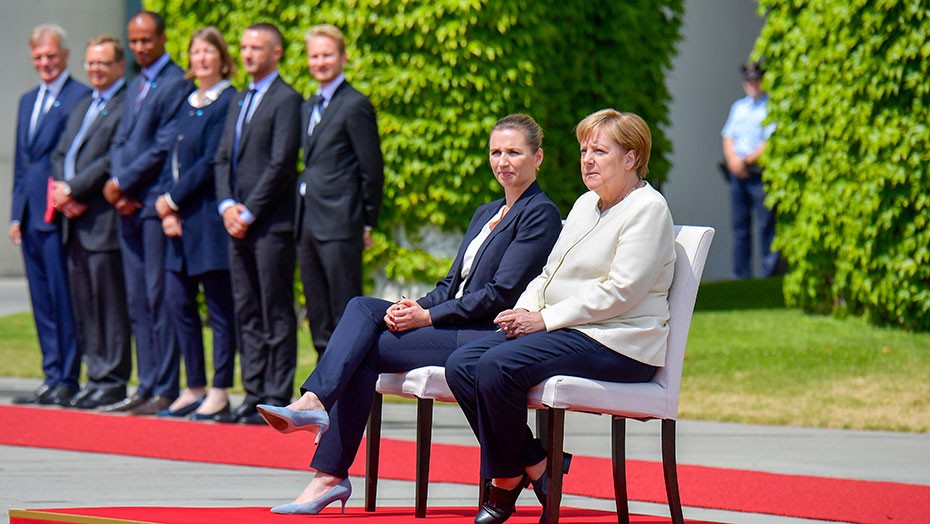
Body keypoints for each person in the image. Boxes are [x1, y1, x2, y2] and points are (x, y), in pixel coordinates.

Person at [255, 114, 562, 515]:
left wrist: (427, 319)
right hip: (453, 322)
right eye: (495, 152)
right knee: (361, 308)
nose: (503, 161)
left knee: (361, 350)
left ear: (537, 158)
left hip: (486, 334)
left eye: (514, 152)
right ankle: (317, 417)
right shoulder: (486, 213)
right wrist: (417, 307)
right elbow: (451, 284)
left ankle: (327, 470)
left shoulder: (540, 213)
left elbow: (498, 295)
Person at [445, 109, 677, 524]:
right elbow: (549, 273)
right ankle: (534, 464)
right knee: (462, 364)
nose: (587, 159)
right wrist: (524, 310)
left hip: (618, 341)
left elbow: (621, 292)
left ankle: (504, 482)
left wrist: (544, 320)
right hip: (572, 328)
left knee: (497, 366)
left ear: (631, 158)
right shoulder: (587, 204)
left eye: (600, 151)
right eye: (584, 150)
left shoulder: (649, 208)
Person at [102, 11, 193, 415]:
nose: (139, 47)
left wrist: (125, 184)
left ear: (161, 39)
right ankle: (147, 381)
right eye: (134, 41)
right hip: (127, 205)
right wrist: (116, 185)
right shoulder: (136, 82)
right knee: (138, 300)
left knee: (159, 298)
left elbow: (163, 145)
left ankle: (166, 385)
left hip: (152, 203)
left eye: (146, 40)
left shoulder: (175, 82)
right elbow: (121, 140)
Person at [214, 22, 302, 425]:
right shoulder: (239, 98)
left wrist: (249, 211)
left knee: (274, 308)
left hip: (269, 225)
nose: (247, 54)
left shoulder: (287, 99)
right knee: (246, 307)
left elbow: (281, 163)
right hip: (237, 222)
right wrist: (227, 206)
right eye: (244, 47)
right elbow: (221, 158)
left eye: (256, 47)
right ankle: (251, 393)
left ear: (276, 53)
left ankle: (273, 394)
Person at [153, 27, 237, 420]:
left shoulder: (227, 101)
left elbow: (209, 162)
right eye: (196, 52)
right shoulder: (186, 102)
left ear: (222, 58)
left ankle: (220, 389)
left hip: (207, 222)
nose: (202, 59)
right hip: (178, 223)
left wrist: (172, 199)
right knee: (179, 303)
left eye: (209, 52)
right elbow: (172, 158)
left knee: (219, 310)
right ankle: (194, 386)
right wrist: (168, 209)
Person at [10, 24, 90, 406]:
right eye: (39, 57)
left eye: (51, 56)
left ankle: (69, 378)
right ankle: (51, 372)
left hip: (59, 213)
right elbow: (22, 164)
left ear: (65, 55)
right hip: (30, 216)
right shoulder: (27, 100)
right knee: (41, 301)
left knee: (62, 300)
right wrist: (14, 214)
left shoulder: (80, 96)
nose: (45, 63)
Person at [48, 35, 131, 410]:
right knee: (85, 304)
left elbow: (110, 160)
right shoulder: (83, 104)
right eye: (91, 63)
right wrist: (62, 193)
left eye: (103, 63)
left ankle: (112, 380)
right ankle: (94, 376)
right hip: (74, 221)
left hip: (100, 219)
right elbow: (61, 152)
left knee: (108, 304)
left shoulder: (125, 103)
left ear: (118, 66)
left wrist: (75, 191)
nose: (96, 69)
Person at [296, 24, 384, 360]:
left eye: (327, 55)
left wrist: (367, 221)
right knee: (318, 313)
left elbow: (371, 168)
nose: (320, 62)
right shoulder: (309, 106)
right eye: (314, 55)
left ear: (343, 57)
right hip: (307, 224)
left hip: (340, 222)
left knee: (345, 311)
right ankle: (322, 392)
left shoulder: (355, 104)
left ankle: (350, 395)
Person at [721, 60, 778, 279]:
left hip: (758, 173)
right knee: (740, 227)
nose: (752, 83)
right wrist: (733, 160)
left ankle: (768, 274)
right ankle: (741, 276)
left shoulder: (769, 106)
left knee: (766, 226)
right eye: (749, 80)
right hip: (738, 174)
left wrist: (745, 161)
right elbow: (728, 136)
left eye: (756, 79)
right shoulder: (739, 107)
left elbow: (769, 141)